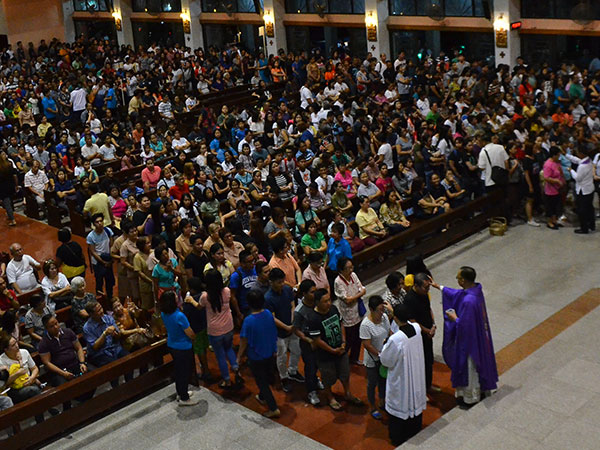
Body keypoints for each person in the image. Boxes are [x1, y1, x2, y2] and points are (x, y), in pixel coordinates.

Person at [430, 267, 498, 406]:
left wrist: (454, 318)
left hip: (470, 343)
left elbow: (465, 327)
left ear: (463, 280)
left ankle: (470, 397)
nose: (457, 281)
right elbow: (458, 294)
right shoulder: (476, 291)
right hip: (479, 338)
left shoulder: (468, 301)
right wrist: (440, 287)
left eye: (458, 278)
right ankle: (481, 389)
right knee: (477, 367)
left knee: (469, 368)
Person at [185, 269, 243, 389]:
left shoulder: (205, 296)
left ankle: (226, 380)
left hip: (215, 330)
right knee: (229, 349)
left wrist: (191, 300)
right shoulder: (226, 291)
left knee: (220, 355)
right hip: (228, 326)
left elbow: (199, 307)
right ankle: (236, 369)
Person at [307, 288, 363, 411]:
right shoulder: (313, 318)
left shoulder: (333, 309)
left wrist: (343, 341)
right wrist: (332, 350)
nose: (328, 303)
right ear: (317, 302)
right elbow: (317, 340)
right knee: (328, 378)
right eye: (325, 301)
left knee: (345, 373)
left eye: (329, 300)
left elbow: (341, 324)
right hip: (325, 355)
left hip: (340, 350)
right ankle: (330, 397)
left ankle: (347, 393)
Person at [380, 303, 427, 446]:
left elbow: (386, 360)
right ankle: (414, 430)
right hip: (416, 374)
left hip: (402, 378)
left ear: (395, 318)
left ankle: (398, 437)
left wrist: (384, 345)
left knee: (401, 403)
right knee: (414, 401)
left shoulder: (396, 339)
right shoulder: (417, 328)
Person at [237, 290, 280, 418]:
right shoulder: (267, 313)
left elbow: (244, 341)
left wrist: (239, 357)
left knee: (261, 381)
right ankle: (262, 396)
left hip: (256, 356)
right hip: (270, 352)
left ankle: (273, 407)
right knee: (266, 376)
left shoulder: (248, 321)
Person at [265, 268, 304, 392]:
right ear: (271, 282)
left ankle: (293, 370)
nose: (282, 284)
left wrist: (292, 321)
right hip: (279, 333)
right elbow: (272, 317)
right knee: (281, 357)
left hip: (291, 328)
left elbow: (292, 304)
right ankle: (284, 377)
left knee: (297, 350)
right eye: (279, 282)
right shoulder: (268, 298)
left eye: (283, 281)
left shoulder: (287, 290)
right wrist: (286, 327)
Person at [38, 315, 90, 409]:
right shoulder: (44, 343)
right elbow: (47, 363)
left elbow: (78, 348)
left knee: (93, 373)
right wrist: (63, 373)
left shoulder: (68, 332)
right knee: (63, 387)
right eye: (52, 326)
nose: (56, 327)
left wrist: (82, 363)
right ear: (46, 329)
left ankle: (83, 401)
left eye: (56, 323)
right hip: (59, 371)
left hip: (75, 363)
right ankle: (68, 407)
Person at [160, 291, 200, 406]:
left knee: (179, 370)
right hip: (183, 347)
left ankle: (181, 392)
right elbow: (190, 333)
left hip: (172, 345)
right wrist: (194, 338)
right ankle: (184, 398)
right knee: (184, 372)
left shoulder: (164, 313)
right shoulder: (179, 316)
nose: (177, 296)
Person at [82, 301, 130, 387]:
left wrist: (116, 334)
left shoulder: (108, 318)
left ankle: (130, 383)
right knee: (113, 367)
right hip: (100, 354)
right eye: (98, 310)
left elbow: (119, 335)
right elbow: (95, 347)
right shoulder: (87, 328)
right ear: (92, 315)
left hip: (114, 347)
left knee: (128, 358)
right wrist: (104, 334)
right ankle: (116, 389)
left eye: (101, 308)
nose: (101, 311)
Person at [360, 295, 392, 420]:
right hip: (373, 360)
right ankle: (373, 406)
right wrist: (379, 354)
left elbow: (389, 332)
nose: (382, 312)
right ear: (372, 310)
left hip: (384, 357)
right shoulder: (366, 325)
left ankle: (382, 401)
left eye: (383, 309)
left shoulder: (384, 318)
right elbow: (367, 345)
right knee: (372, 383)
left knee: (383, 381)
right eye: (379, 310)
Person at [404, 272, 437, 393]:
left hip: (428, 333)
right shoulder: (409, 299)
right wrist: (427, 330)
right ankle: (421, 389)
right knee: (420, 363)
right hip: (418, 336)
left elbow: (429, 309)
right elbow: (412, 320)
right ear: (416, 286)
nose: (428, 290)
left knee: (429, 361)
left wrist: (433, 324)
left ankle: (428, 385)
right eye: (426, 287)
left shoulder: (424, 294)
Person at [292, 280, 322, 406]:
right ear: (304, 294)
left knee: (318, 364)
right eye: (312, 292)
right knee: (310, 367)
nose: (315, 294)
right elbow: (296, 330)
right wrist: (308, 340)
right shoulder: (299, 311)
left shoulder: (318, 304)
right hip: (308, 343)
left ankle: (316, 380)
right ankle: (311, 391)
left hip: (319, 339)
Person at [334, 257, 366, 365]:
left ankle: (354, 358)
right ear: (341, 270)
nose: (351, 270)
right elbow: (347, 300)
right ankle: (341, 359)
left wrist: (354, 297)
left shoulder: (353, 275)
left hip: (357, 311)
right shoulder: (338, 282)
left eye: (351, 267)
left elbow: (363, 289)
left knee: (358, 338)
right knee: (349, 339)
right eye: (348, 268)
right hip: (348, 315)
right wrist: (357, 295)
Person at [181, 277, 214, 383]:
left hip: (196, 329)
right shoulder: (205, 296)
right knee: (204, 347)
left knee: (200, 350)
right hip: (206, 325)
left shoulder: (189, 302)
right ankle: (205, 368)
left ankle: (206, 371)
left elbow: (186, 316)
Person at [86, 213, 115, 298]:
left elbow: (111, 245)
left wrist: (110, 259)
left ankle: (110, 298)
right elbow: (93, 252)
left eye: (101, 221)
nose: (100, 223)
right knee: (99, 282)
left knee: (109, 282)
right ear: (93, 224)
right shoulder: (91, 236)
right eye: (97, 222)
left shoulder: (108, 231)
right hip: (98, 263)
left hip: (108, 259)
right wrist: (103, 262)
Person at [542, 147, 565, 230]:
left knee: (556, 206)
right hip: (550, 189)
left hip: (558, 189)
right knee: (550, 206)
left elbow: (560, 172)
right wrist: (556, 181)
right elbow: (546, 177)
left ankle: (554, 220)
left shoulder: (557, 162)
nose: (559, 157)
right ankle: (550, 222)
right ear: (554, 155)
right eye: (558, 155)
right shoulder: (548, 164)